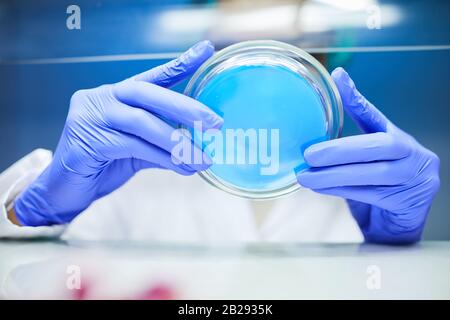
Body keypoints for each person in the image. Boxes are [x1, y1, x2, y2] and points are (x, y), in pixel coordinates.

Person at [0, 41, 440, 244]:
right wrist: (37, 208)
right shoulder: (136, 162)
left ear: (322, 61)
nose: (262, 72)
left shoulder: (365, 182)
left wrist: (396, 248)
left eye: (292, 45)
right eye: (239, 43)